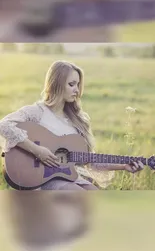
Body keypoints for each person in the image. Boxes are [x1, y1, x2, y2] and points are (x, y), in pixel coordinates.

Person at [0, 60, 144, 190]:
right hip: (41, 179)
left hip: (68, 178)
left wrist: (124, 165)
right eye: (71, 84)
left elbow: (90, 162)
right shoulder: (36, 112)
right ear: (56, 84)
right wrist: (38, 150)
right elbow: (4, 125)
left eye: (78, 85)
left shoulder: (78, 120)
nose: (77, 90)